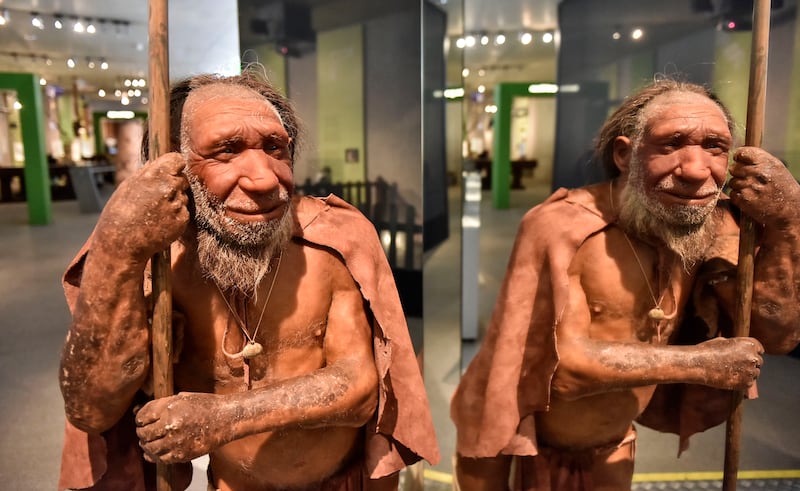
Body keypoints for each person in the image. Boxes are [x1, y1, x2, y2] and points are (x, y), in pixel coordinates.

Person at [57, 71, 439, 491]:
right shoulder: (158, 259)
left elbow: (359, 386)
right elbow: (91, 411)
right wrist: (118, 249)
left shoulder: (331, 241)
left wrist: (223, 417)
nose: (265, 179)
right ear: (174, 164)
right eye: (226, 150)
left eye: (275, 148)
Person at [450, 79, 800, 490]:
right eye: (671, 144)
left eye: (714, 146)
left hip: (610, 440)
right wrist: (701, 363)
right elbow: (561, 368)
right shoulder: (561, 226)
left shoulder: (713, 225)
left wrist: (788, 221)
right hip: (511, 441)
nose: (695, 170)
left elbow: (776, 335)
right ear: (625, 153)